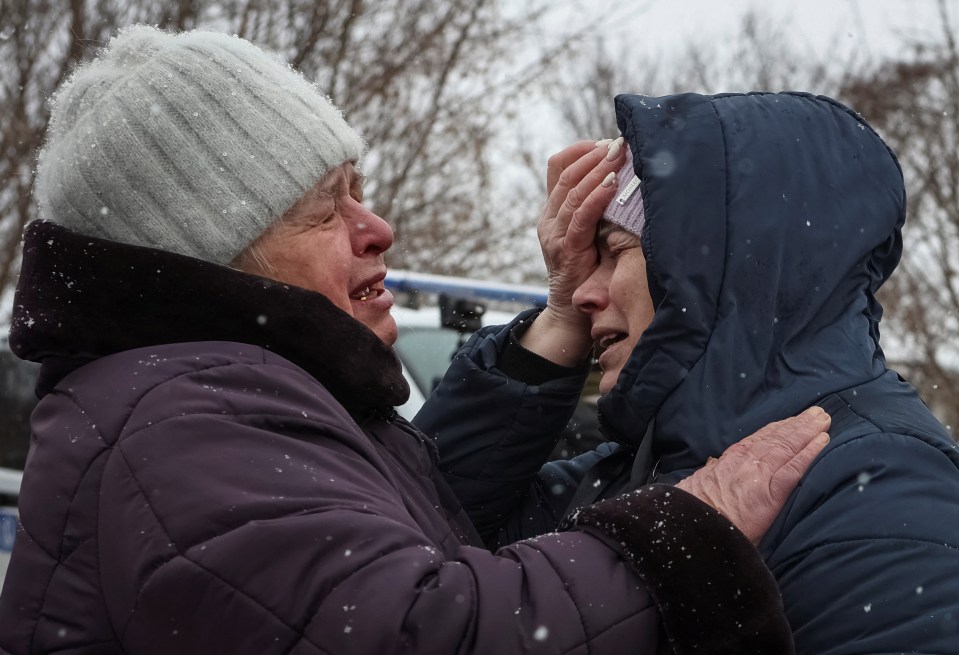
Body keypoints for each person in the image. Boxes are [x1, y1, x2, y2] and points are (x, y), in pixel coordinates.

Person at [0, 27, 831, 655]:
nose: (378, 228)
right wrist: (685, 534)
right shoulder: (178, 417)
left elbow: (417, 519)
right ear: (212, 253)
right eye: (326, 207)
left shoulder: (223, 395)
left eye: (361, 190)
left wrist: (554, 329)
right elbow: (412, 627)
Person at [419, 92, 959, 653]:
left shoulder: (877, 483)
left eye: (614, 252)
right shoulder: (636, 469)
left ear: (715, 268)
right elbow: (419, 560)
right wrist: (555, 324)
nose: (583, 291)